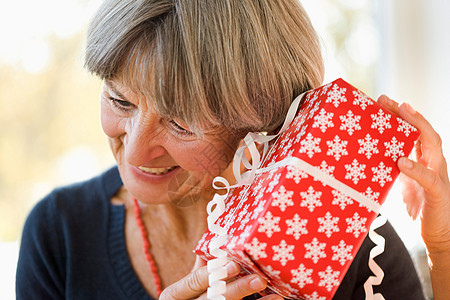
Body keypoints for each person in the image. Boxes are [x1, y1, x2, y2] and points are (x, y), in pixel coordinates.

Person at [15, 0, 448, 299]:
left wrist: (443, 247)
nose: (135, 152)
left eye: (181, 122)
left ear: (264, 122)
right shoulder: (60, 235)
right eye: (119, 100)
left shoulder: (340, 238)